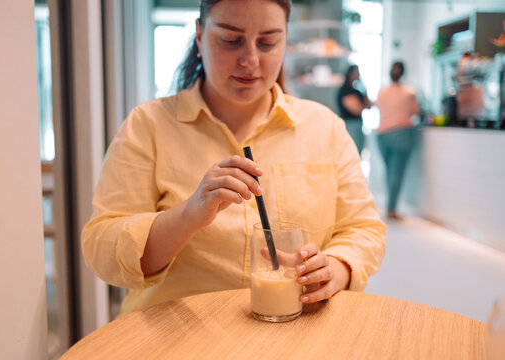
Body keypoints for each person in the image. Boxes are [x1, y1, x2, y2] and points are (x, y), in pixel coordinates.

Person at [82, 0, 387, 317]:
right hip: (179, 340)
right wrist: (188, 216)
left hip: (296, 335)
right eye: (230, 39)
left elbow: (364, 228)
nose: (251, 60)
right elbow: (101, 246)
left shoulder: (325, 128)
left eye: (268, 42)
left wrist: (334, 269)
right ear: (200, 36)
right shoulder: (148, 126)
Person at [376, 61, 420, 220]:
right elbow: (415, 111)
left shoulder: (382, 92)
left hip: (382, 135)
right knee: (397, 173)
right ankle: (391, 209)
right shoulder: (409, 92)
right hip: (401, 134)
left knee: (389, 172)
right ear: (403, 73)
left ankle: (390, 205)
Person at [337, 65, 372, 154]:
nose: (358, 75)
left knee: (359, 152)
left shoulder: (357, 90)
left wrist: (364, 89)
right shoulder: (345, 91)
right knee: (352, 153)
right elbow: (357, 110)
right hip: (350, 125)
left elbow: (368, 106)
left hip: (359, 124)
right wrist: (362, 106)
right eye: (356, 73)